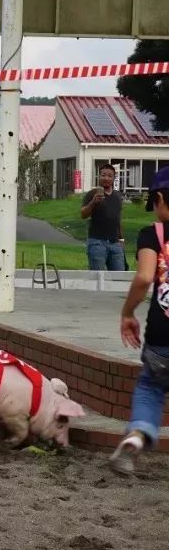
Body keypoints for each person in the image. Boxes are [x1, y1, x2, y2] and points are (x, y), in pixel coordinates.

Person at [111, 166, 169, 475]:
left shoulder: (154, 233)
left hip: (162, 337)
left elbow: (145, 276)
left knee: (150, 388)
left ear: (159, 198)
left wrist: (127, 312)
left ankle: (135, 437)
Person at [81, 163, 126, 271]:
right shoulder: (92, 193)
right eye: (103, 175)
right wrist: (93, 202)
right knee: (97, 277)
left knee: (119, 277)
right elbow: (83, 214)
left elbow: (117, 219)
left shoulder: (117, 196)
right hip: (97, 242)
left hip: (115, 244)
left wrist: (121, 239)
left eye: (110, 175)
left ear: (114, 178)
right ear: (99, 176)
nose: (106, 178)